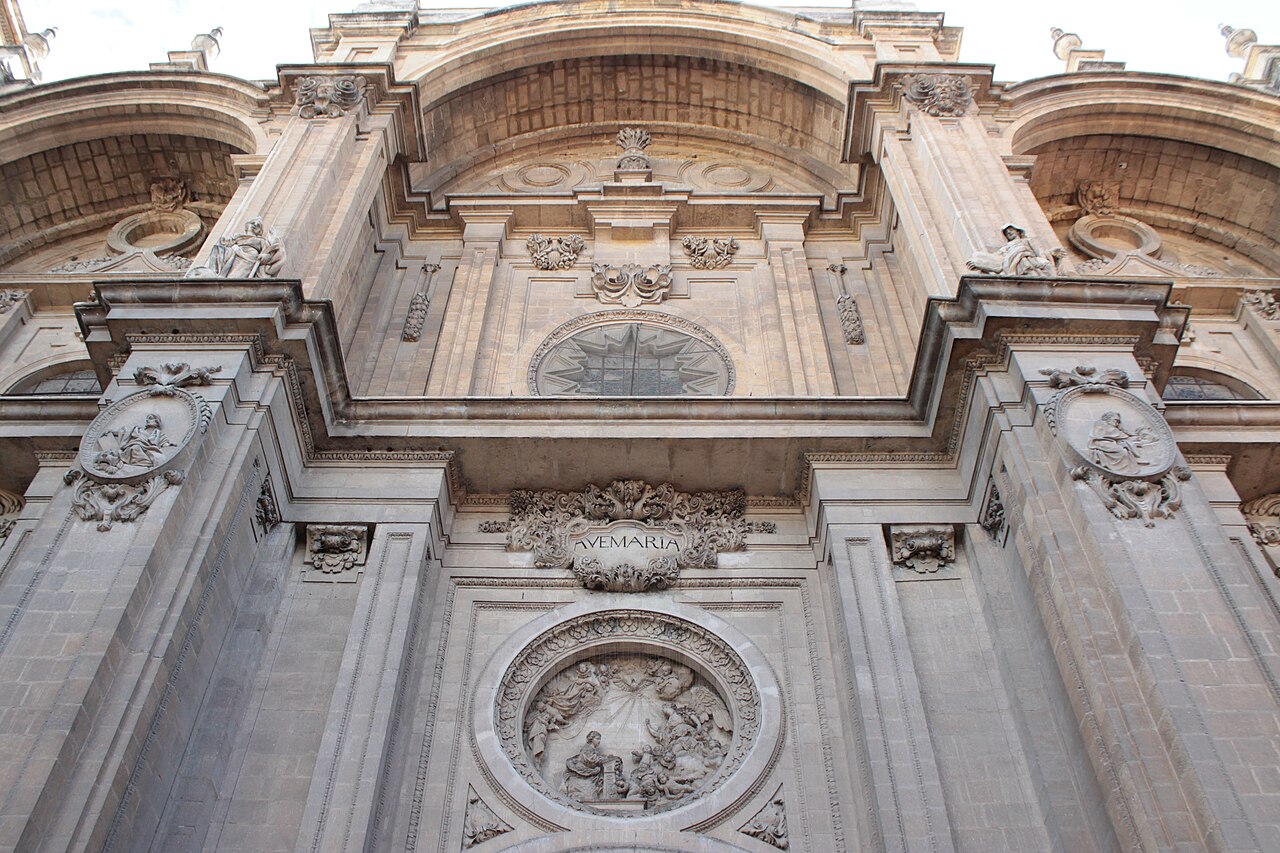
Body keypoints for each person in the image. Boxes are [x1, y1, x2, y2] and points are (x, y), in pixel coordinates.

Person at [966, 223, 1064, 277]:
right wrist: (981, 262)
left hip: (1029, 260)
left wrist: (1051, 254)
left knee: (1043, 267)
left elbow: (1039, 252)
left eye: (1011, 231)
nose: (1010, 233)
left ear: (1018, 231)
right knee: (976, 254)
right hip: (1011, 262)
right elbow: (997, 258)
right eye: (1008, 233)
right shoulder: (1006, 247)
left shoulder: (1027, 240)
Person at [1087, 410, 1155, 476]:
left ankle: (1132, 464)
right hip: (1099, 442)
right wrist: (1130, 436)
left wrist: (1130, 435)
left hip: (1107, 442)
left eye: (1118, 421)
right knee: (1120, 450)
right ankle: (1120, 468)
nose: (1116, 423)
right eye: (1116, 420)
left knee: (1125, 447)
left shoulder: (1110, 426)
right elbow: (1115, 433)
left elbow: (1119, 434)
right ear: (1108, 418)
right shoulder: (1102, 423)